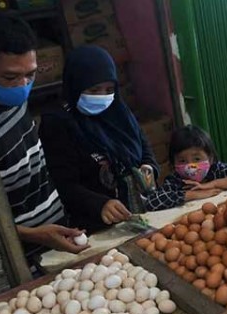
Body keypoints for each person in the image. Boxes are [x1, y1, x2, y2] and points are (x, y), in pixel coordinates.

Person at [0, 13, 87, 268]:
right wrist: (32, 235)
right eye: (11, 77)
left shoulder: (15, 101)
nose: (23, 86)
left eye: (30, 75)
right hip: (19, 256)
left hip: (58, 234)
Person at [40, 46, 159, 233]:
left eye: (109, 89)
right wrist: (100, 204)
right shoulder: (58, 123)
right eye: (94, 89)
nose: (102, 97)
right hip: (94, 225)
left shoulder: (118, 111)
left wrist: (149, 166)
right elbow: (63, 184)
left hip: (139, 213)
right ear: (76, 84)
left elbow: (141, 143)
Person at [145, 125, 227, 211]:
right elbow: (151, 202)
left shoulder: (216, 170)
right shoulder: (176, 181)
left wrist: (213, 184)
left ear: (210, 158)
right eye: (182, 161)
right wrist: (193, 195)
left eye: (197, 159)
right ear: (174, 163)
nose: (190, 166)